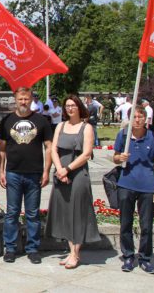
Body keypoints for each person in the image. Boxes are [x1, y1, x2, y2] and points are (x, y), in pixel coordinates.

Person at [0, 87, 53, 264]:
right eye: (20, 99)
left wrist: (46, 171)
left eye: (26, 99)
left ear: (31, 100)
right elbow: (2, 149)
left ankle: (33, 248)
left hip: (34, 173)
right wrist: (1, 171)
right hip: (13, 173)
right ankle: (11, 248)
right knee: (12, 213)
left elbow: (49, 147)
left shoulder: (41, 121)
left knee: (32, 213)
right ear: (15, 99)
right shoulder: (7, 120)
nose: (23, 102)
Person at [45, 95, 100, 269]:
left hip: (78, 174)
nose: (70, 108)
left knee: (78, 212)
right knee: (66, 212)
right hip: (61, 173)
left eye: (73, 106)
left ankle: (76, 254)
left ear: (79, 107)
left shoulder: (86, 127)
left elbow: (86, 154)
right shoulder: (60, 126)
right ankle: (71, 251)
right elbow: (53, 149)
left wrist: (67, 169)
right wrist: (60, 169)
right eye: (67, 106)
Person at [112, 105, 154, 274]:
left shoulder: (153, 138)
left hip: (147, 186)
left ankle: (145, 258)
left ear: (145, 118)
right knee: (125, 223)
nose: (137, 119)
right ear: (129, 118)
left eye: (141, 116)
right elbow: (115, 158)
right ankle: (128, 256)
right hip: (126, 184)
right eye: (134, 116)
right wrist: (120, 158)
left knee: (146, 225)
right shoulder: (123, 135)